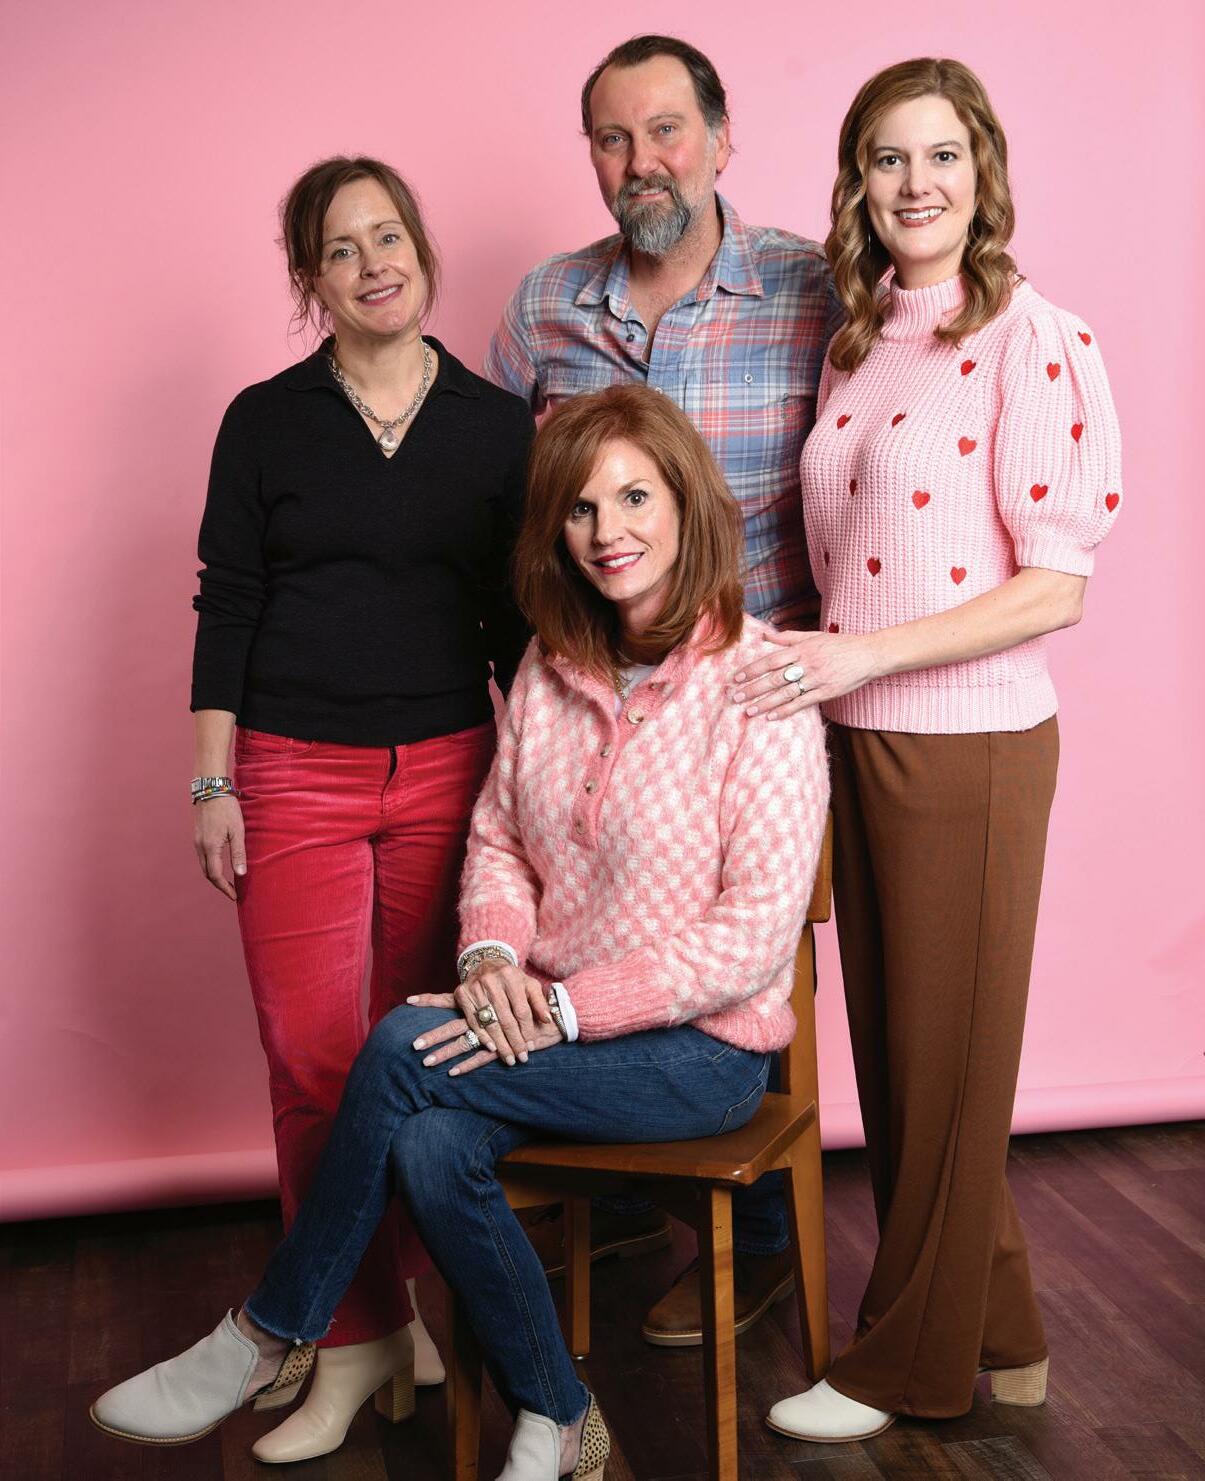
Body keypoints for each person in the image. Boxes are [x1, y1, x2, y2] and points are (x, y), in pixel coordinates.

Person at [91, 384, 830, 1479]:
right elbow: (497, 842)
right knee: (431, 1144)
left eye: (635, 497)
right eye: (581, 508)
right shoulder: (548, 669)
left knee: (397, 1043)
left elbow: (752, 940)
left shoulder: (757, 685)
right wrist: (488, 960)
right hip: (555, 1031)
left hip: (699, 1054)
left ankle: (266, 1330)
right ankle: (559, 1412)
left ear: (687, 504)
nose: (609, 530)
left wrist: (561, 1009)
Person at [735, 59, 1122, 1441]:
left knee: (949, 1073)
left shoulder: (1034, 335)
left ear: (981, 173)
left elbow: (1053, 588)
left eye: (941, 155)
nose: (915, 184)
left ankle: (904, 1366)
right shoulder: (856, 341)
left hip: (970, 748)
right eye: (887, 158)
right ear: (857, 182)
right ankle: (1004, 1339)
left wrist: (863, 656)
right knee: (905, 1072)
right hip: (855, 742)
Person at [486, 30, 841, 1350]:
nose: (642, 161)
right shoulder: (544, 306)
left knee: (744, 956)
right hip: (597, 692)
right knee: (569, 906)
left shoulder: (808, 289)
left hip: (754, 705)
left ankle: (754, 1242)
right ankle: (617, 1190)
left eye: (667, 130)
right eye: (613, 139)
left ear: (721, 138)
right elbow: (496, 495)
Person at [187, 155, 534, 1462]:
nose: (373, 263)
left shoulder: (496, 426)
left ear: (420, 250)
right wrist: (212, 779)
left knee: (412, 1062)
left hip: (449, 767)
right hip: (291, 770)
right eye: (341, 248)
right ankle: (356, 1337)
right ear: (311, 279)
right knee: (311, 1061)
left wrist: (536, 795)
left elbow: (513, 627)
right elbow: (228, 600)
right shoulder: (263, 421)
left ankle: (396, 1321)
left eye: (389, 236)